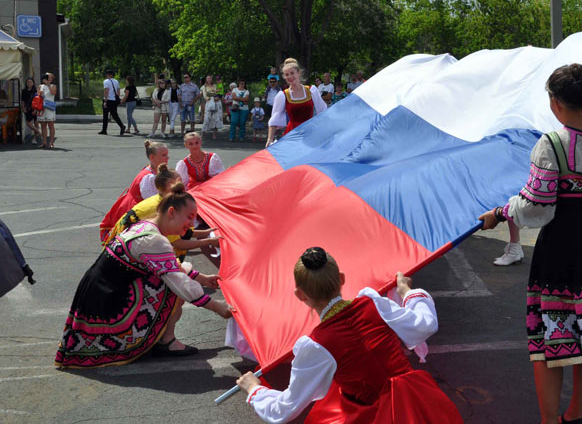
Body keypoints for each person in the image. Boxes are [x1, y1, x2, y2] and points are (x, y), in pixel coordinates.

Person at [479, 63, 582, 424]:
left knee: (548, 340)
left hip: (564, 249)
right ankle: (574, 416)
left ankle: (548, 419)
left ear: (556, 103)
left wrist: (499, 211)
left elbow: (536, 206)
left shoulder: (552, 144)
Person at [236, 247, 462, 423]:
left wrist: (254, 389)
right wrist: (408, 293)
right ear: (342, 279)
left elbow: (286, 408)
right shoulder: (374, 304)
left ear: (300, 295)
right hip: (417, 400)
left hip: (372, 415)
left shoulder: (316, 345)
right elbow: (425, 325)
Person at [55, 184, 234, 368]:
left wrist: (202, 278)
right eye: (189, 217)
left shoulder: (147, 226)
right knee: (172, 287)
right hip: (105, 306)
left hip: (99, 295)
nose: (191, 224)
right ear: (171, 212)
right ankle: (166, 341)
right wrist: (218, 307)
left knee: (169, 279)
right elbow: (177, 280)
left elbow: (171, 265)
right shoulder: (155, 240)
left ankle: (161, 338)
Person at [103, 164, 222, 260]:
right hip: (125, 250)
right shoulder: (163, 208)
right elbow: (178, 243)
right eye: (180, 181)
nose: (183, 184)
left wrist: (203, 233)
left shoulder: (163, 201)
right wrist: (209, 241)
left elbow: (180, 232)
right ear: (171, 184)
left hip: (127, 244)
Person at [99, 140, 170, 242]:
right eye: (164, 155)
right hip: (135, 208)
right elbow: (151, 202)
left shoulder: (154, 171)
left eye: (167, 154)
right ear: (152, 157)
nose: (167, 157)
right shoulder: (149, 177)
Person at [266, 59, 327, 146]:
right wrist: (269, 139)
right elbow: (274, 120)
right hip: (292, 135)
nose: (290, 76)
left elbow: (323, 112)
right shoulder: (283, 95)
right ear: (284, 77)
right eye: (287, 75)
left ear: (299, 73)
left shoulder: (312, 91)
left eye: (292, 73)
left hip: (309, 133)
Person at [99, 69, 126, 136]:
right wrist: (117, 99)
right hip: (114, 100)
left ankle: (104, 130)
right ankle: (122, 126)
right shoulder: (116, 81)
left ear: (109, 75)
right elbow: (118, 91)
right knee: (114, 115)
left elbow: (106, 91)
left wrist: (105, 101)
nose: (106, 75)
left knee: (105, 115)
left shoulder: (106, 81)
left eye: (107, 74)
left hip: (108, 100)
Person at [20, 77, 42, 145]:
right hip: (27, 108)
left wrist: (36, 109)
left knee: (36, 123)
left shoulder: (35, 90)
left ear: (33, 83)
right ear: (26, 83)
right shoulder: (24, 91)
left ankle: (34, 139)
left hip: (35, 108)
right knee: (28, 123)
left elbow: (38, 100)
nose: (29, 83)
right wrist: (23, 108)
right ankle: (38, 131)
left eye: (30, 82)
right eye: (28, 82)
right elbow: (23, 101)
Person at [38, 72, 57, 148]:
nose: (48, 78)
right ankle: (44, 142)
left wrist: (48, 85)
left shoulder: (53, 86)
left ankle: (51, 142)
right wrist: (41, 89)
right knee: (43, 125)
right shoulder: (40, 86)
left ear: (52, 79)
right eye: (47, 77)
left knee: (51, 125)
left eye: (49, 77)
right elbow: (38, 95)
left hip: (49, 107)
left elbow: (53, 93)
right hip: (42, 107)